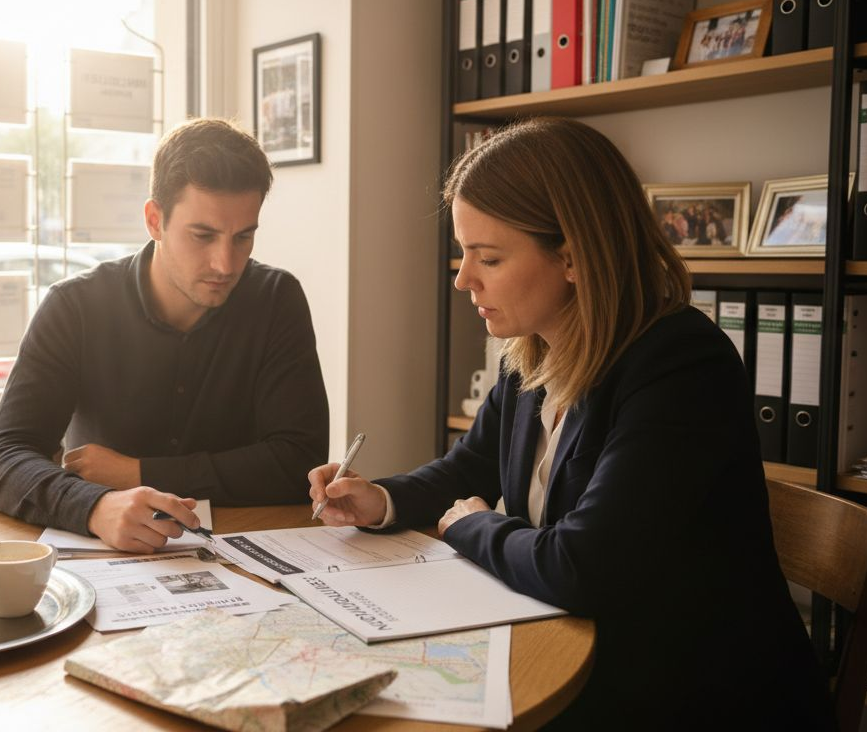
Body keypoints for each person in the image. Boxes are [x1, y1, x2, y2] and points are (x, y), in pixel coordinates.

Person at [307, 118, 831, 728]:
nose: (462, 279)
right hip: (582, 654)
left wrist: (473, 528)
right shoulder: (533, 350)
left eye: (490, 258)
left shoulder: (683, 366)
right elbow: (465, 468)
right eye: (463, 253)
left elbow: (582, 566)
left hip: (689, 696)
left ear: (574, 257)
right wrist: (380, 500)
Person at [0, 117, 329, 553]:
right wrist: (95, 506)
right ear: (154, 220)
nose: (225, 263)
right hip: (109, 563)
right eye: (203, 236)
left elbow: (299, 461)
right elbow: (3, 459)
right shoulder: (76, 307)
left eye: (243, 237)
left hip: (249, 556)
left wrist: (139, 473)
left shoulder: (277, 299)